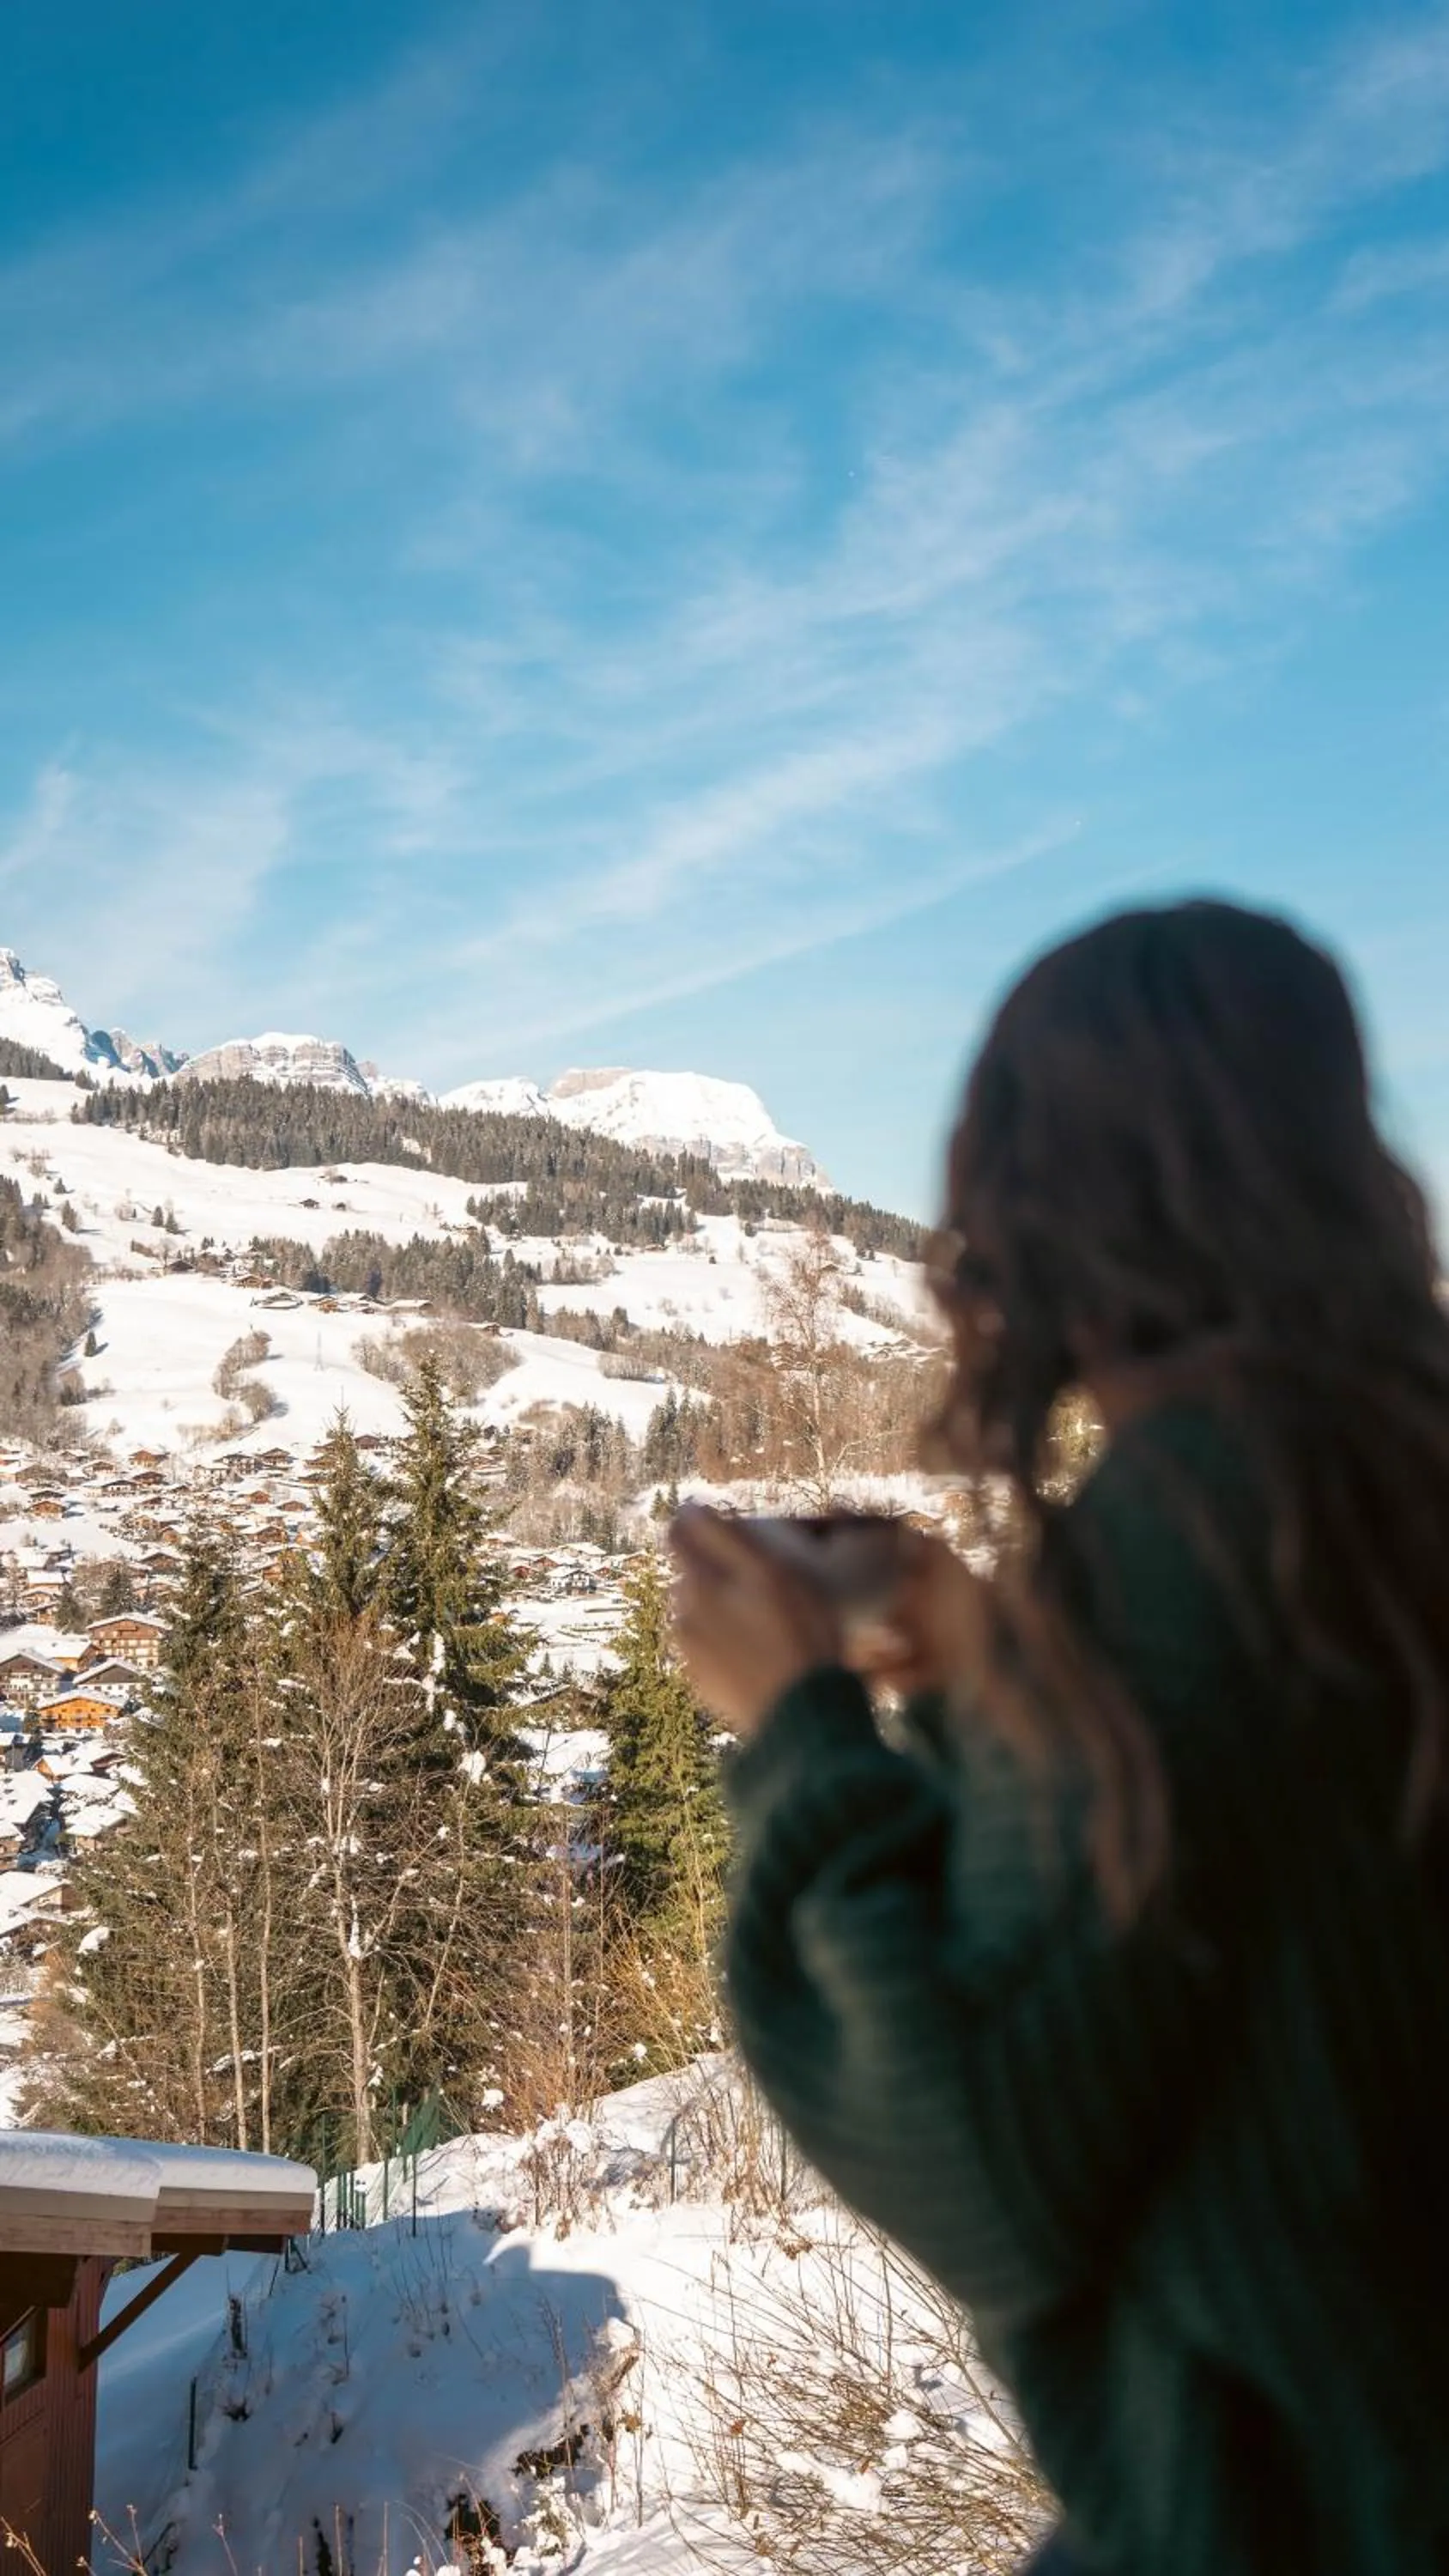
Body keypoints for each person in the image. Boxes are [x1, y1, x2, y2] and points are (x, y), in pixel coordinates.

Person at [670, 898, 1449, 2576]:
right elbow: (1227, 1885)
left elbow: (992, 2164)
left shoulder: (1204, 1529)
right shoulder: (1377, 1477)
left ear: (1042, 1198)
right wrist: (972, 1650)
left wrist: (800, 1727)